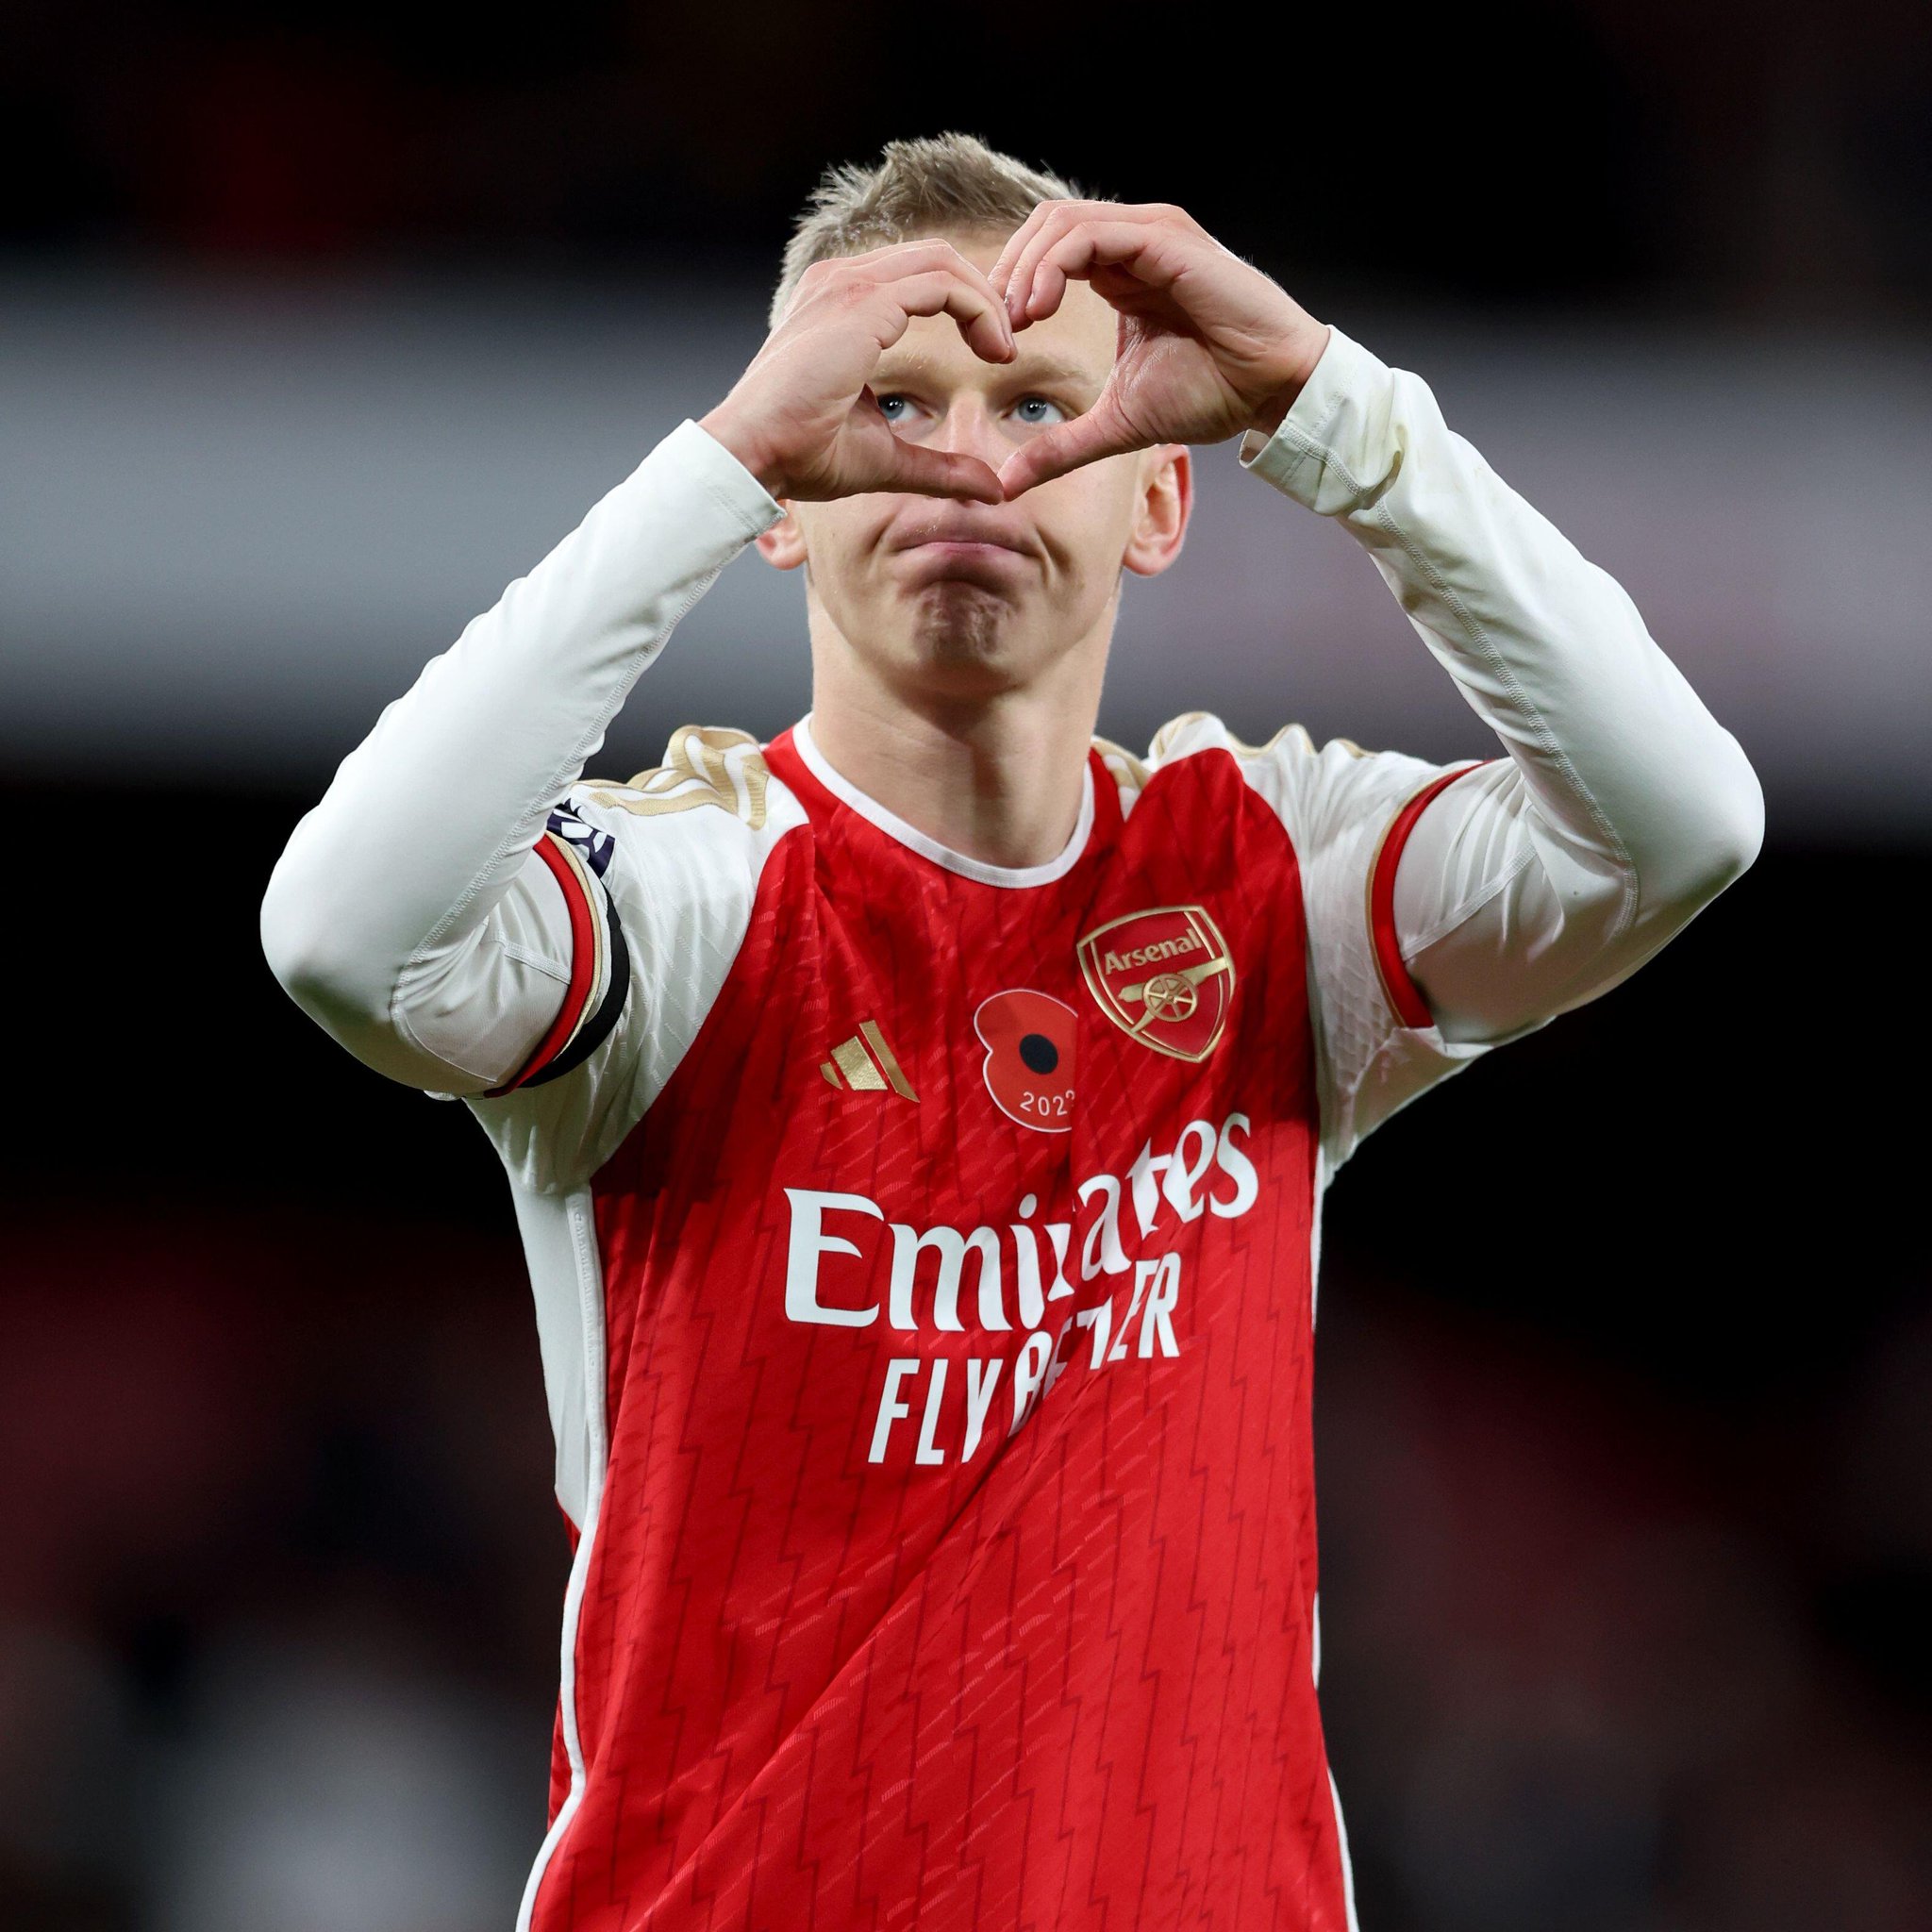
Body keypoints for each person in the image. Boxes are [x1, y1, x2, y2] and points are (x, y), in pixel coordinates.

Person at [260, 131, 1762, 1932]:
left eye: (1042, 405)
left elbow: (1680, 825)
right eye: (887, 403)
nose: (968, 461)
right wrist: (715, 461)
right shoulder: (681, 899)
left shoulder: (1265, 874)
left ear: (1158, 503)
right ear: (784, 504)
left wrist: (1331, 409)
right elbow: (343, 935)